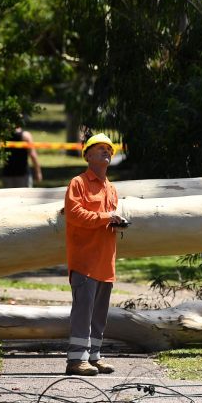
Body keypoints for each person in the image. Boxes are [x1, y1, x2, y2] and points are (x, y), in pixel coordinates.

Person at [63, 133, 126, 376]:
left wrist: (115, 223)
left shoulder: (111, 188)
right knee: (83, 311)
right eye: (99, 148)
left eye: (109, 149)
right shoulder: (78, 183)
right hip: (84, 260)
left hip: (105, 261)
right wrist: (105, 218)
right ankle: (75, 361)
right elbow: (75, 215)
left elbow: (104, 219)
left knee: (99, 314)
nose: (106, 152)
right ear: (87, 155)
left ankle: (94, 357)